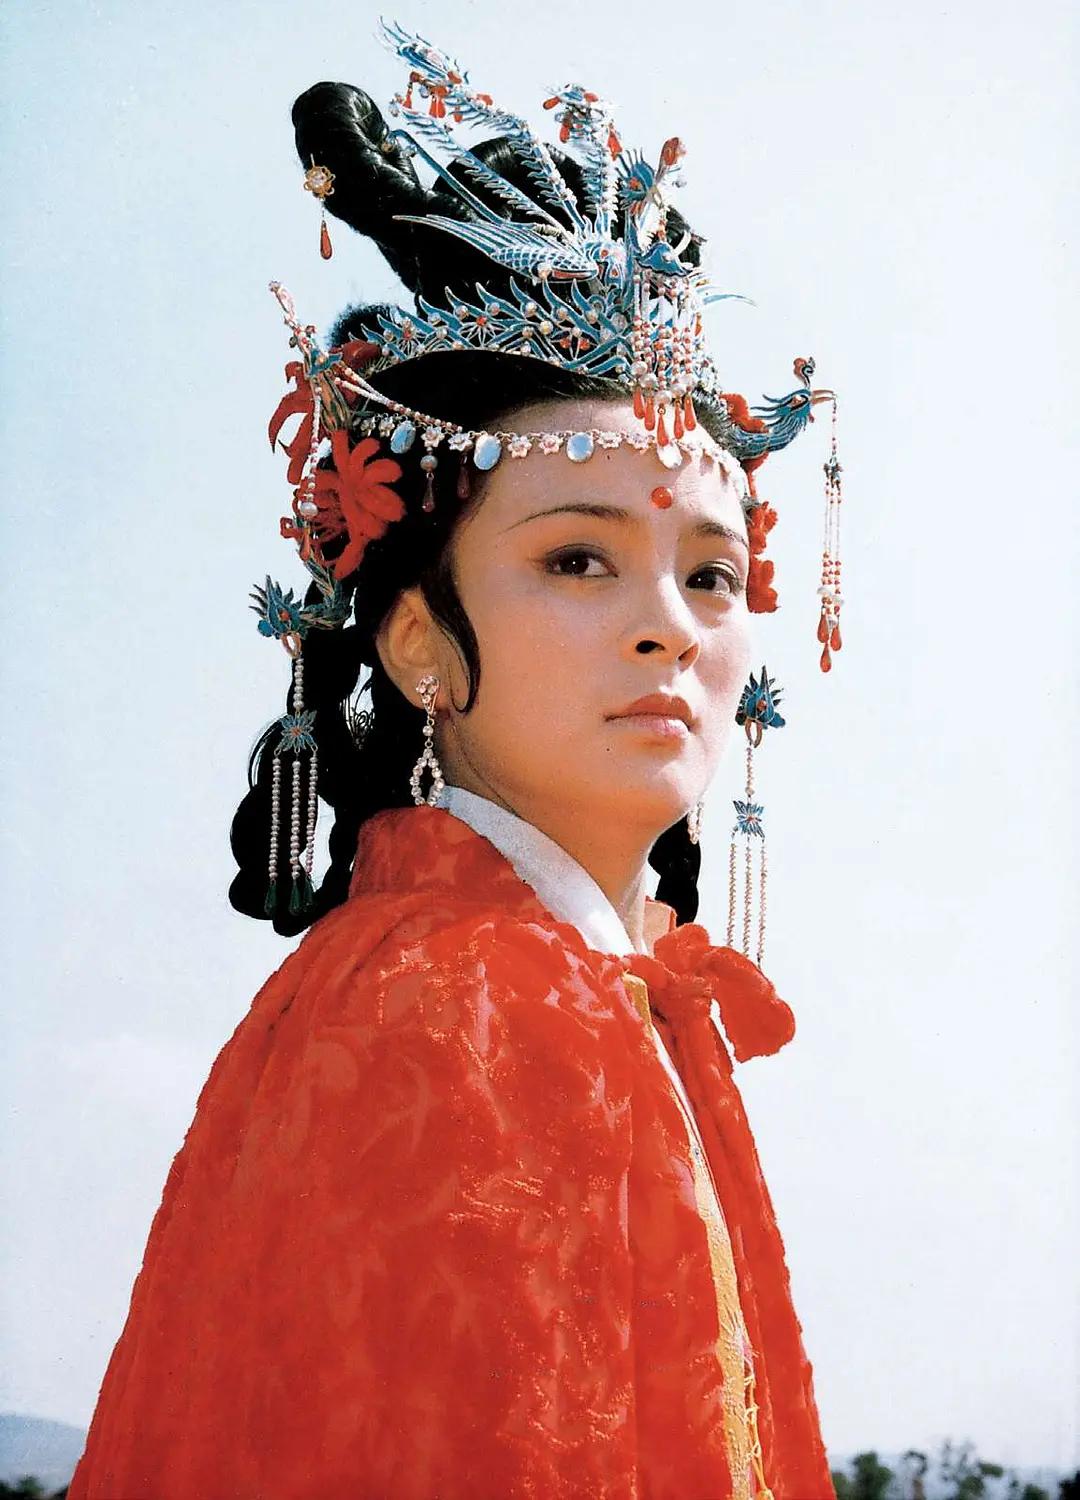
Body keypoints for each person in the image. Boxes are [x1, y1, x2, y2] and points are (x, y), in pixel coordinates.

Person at [69, 21, 841, 1499]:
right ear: (421, 642)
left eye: (713, 575)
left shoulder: (576, 979)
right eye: (577, 560)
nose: (670, 627)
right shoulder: (461, 998)